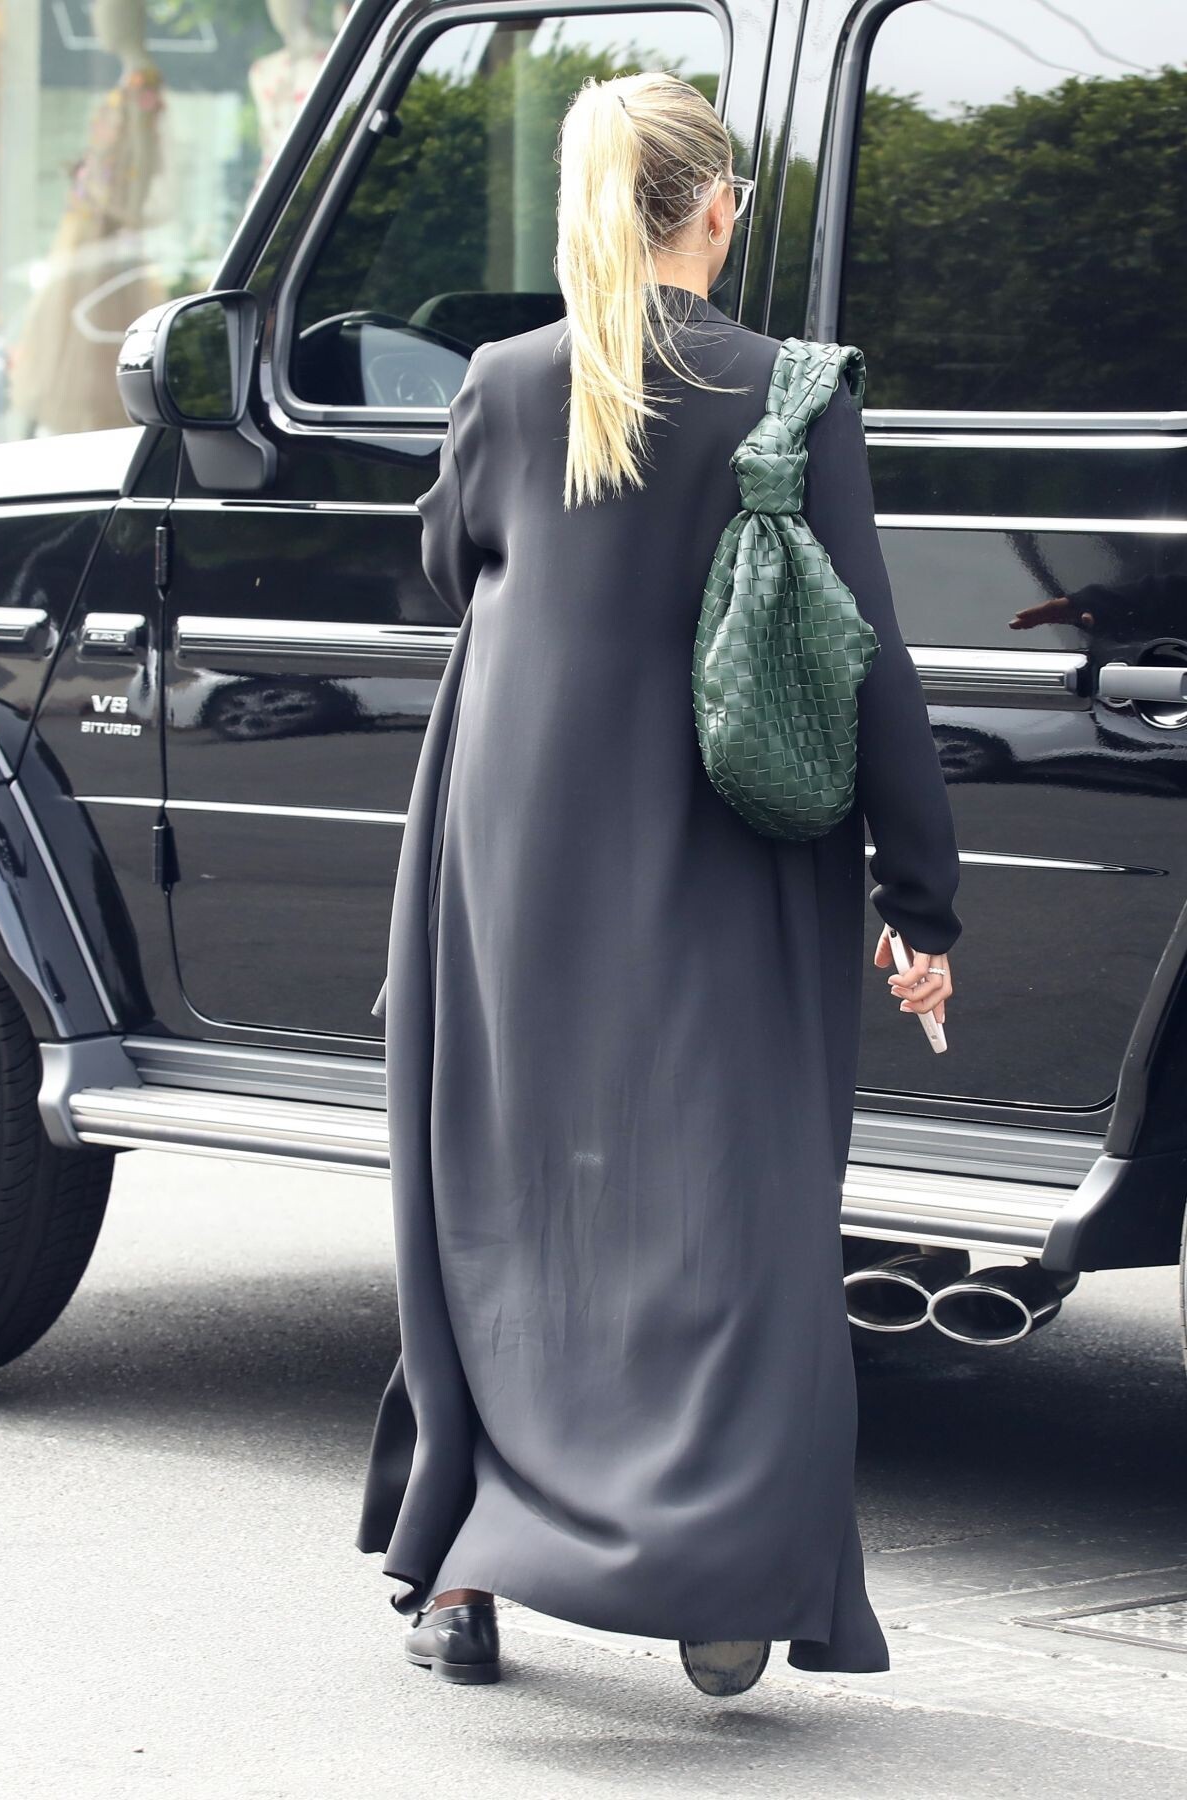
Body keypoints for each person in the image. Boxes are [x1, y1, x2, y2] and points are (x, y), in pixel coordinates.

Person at [355, 68, 961, 1694]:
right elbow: (867, 659)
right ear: (722, 210)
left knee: (501, 1191)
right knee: (733, 1206)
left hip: (515, 838)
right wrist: (922, 896)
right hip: (728, 851)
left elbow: (450, 565)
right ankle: (718, 1571)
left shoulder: (504, 382)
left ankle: (460, 1574)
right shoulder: (790, 392)